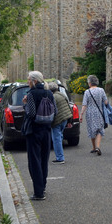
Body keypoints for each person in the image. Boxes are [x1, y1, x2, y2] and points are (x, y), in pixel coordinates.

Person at [21, 71, 55, 200]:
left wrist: (25, 104)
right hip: (46, 130)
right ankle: (43, 187)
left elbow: (31, 113)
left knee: (34, 161)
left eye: (29, 80)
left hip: (33, 131)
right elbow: (55, 111)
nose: (27, 82)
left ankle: (38, 192)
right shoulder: (49, 93)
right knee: (44, 159)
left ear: (35, 81)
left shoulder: (31, 94)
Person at [79, 75, 108, 156]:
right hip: (99, 113)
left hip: (90, 113)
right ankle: (98, 147)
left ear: (90, 83)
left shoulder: (87, 92)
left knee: (92, 130)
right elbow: (106, 102)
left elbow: (84, 104)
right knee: (99, 130)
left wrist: (81, 114)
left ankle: (94, 147)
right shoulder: (101, 90)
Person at [49, 81, 73, 164]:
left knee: (56, 139)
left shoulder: (53, 97)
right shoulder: (61, 94)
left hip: (57, 120)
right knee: (59, 137)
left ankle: (60, 158)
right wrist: (70, 120)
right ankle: (60, 155)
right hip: (65, 119)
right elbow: (69, 107)